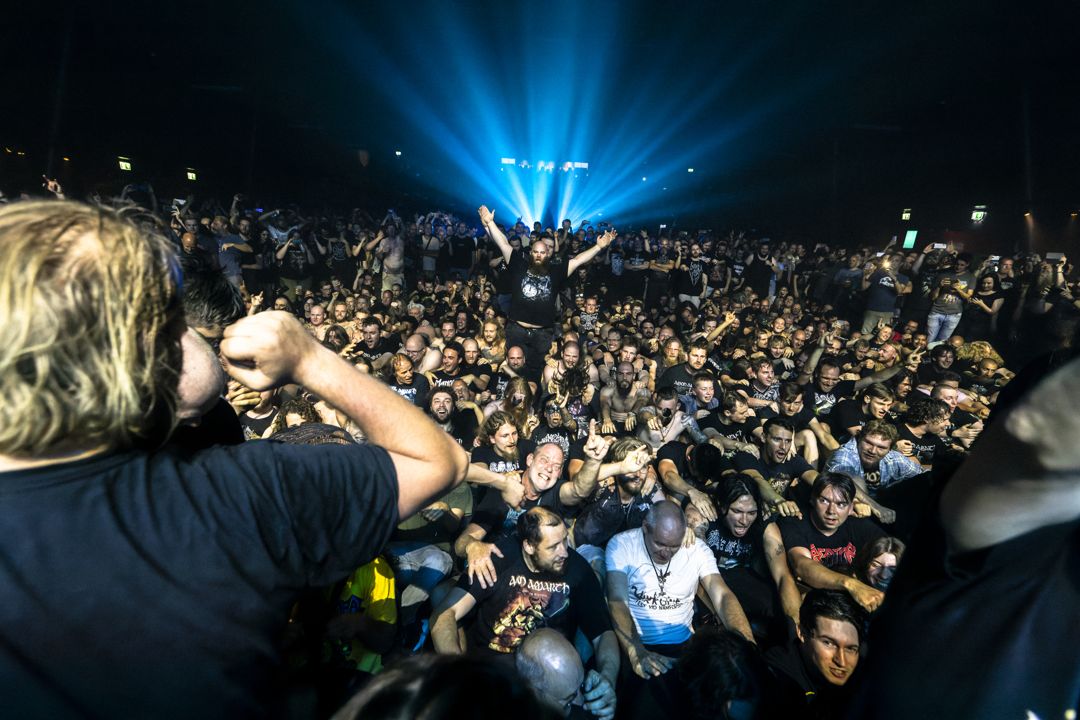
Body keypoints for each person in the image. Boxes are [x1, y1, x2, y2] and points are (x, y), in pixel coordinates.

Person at [0, 200, 469, 718]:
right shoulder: (234, 498)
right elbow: (437, 459)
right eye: (171, 312)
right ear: (140, 349)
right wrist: (309, 359)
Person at [431, 508, 619, 683]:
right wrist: (458, 676)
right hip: (492, 670)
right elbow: (445, 615)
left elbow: (603, 634)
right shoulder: (498, 559)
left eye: (564, 540)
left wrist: (607, 679)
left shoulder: (578, 570)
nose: (564, 552)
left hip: (547, 676)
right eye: (553, 547)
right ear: (529, 546)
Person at [605, 502, 753, 681]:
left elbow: (722, 596)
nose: (666, 553)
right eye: (660, 544)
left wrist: (748, 645)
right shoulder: (622, 545)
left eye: (674, 546)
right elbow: (617, 600)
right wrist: (636, 652)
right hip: (637, 642)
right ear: (645, 527)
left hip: (682, 645)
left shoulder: (696, 549)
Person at [478, 205, 614, 380]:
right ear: (531, 252)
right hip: (517, 329)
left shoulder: (556, 271)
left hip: (542, 333)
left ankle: (532, 402)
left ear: (547, 254)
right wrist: (490, 222)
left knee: (535, 373)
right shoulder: (519, 264)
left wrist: (598, 247)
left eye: (542, 252)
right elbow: (503, 243)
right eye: (535, 252)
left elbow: (578, 260)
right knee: (512, 368)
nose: (539, 255)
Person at [779, 474, 886, 613]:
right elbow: (801, 565)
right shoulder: (795, 522)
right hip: (813, 603)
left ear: (851, 507)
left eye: (841, 504)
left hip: (850, 604)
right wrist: (851, 585)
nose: (831, 511)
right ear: (812, 499)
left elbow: (893, 550)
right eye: (824, 501)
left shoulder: (857, 524)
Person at [765, 589, 868, 719]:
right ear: (802, 633)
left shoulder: (867, 666)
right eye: (828, 643)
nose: (841, 661)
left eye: (850, 649)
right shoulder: (779, 674)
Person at [516, 628, 618, 720]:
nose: (582, 701)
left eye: (581, 685)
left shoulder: (587, 692)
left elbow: (602, 631)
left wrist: (607, 680)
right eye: (567, 704)